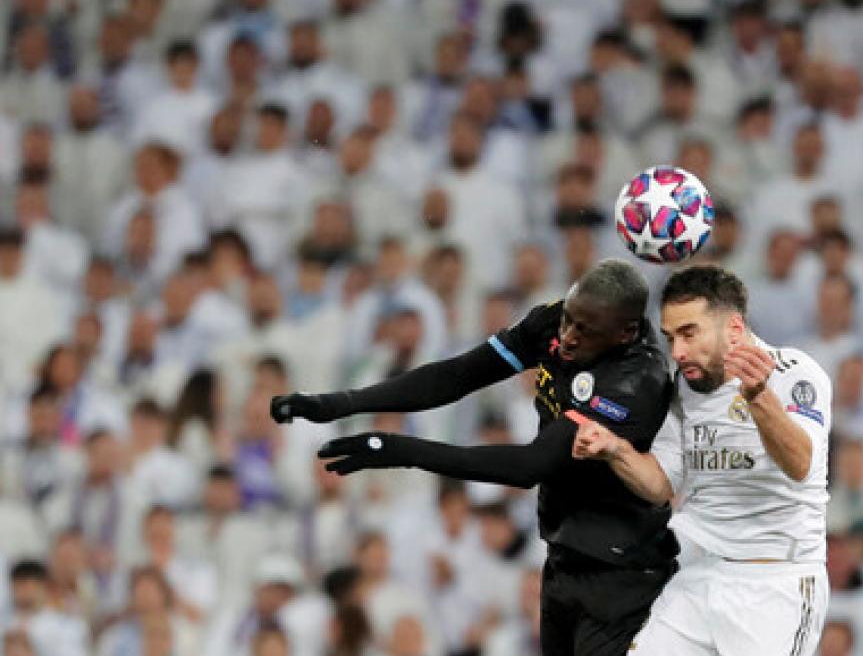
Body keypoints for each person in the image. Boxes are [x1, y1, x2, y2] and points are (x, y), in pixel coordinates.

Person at [270, 259, 678, 656]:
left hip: (621, 576)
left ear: (625, 333)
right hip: (563, 559)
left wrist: (400, 449)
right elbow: (458, 375)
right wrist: (341, 403)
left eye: (585, 330)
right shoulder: (554, 323)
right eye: (569, 319)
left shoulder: (636, 381)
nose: (568, 336)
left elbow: (530, 466)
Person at [572, 265, 832, 656]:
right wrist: (615, 449)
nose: (677, 352)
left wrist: (758, 398)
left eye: (689, 333)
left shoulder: (793, 373)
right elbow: (662, 484)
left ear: (734, 329)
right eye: (670, 337)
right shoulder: (684, 388)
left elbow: (801, 465)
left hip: (774, 583)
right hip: (698, 576)